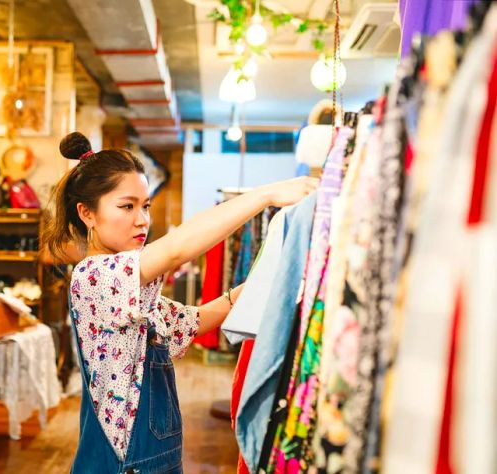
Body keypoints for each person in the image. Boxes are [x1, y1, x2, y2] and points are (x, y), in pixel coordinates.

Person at [43, 132, 318, 473]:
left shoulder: (132, 291)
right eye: (127, 206)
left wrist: (264, 283)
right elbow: (176, 249)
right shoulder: (94, 276)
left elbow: (194, 319)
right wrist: (267, 194)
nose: (142, 219)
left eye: (145, 206)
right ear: (87, 214)